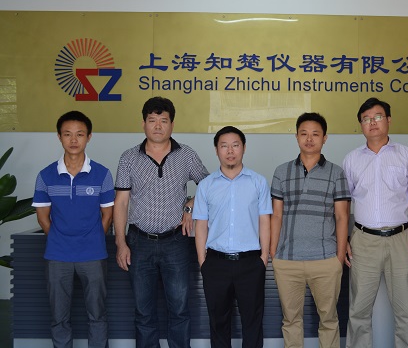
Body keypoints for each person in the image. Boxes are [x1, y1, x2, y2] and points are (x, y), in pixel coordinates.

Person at [114, 96, 209, 348]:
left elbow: (210, 187)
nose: (157, 126)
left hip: (175, 242)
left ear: (172, 124)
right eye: (152, 120)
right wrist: (121, 243)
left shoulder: (186, 155)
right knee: (143, 311)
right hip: (139, 242)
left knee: (179, 309)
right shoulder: (128, 158)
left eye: (163, 120)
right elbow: (121, 202)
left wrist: (190, 204)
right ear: (143, 124)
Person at [343, 97, 408, 348]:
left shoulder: (406, 155)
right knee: (358, 311)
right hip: (363, 241)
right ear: (361, 125)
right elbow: (344, 204)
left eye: (378, 117)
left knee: (406, 311)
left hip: (401, 239)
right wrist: (344, 239)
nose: (372, 122)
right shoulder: (352, 159)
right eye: (366, 119)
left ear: (388, 120)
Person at [33, 111, 114, 348]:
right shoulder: (45, 175)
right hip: (57, 255)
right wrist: (61, 240)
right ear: (59, 137)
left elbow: (107, 215)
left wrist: (91, 238)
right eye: (67, 134)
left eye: (80, 134)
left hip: (93, 254)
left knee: (97, 314)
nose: (74, 140)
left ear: (89, 137)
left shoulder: (102, 174)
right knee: (59, 316)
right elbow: (43, 218)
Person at [270, 112, 351, 348]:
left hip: (325, 259)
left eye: (315, 134)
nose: (309, 139)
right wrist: (274, 253)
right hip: (288, 259)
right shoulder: (281, 172)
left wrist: (338, 257)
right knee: (291, 320)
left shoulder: (336, 173)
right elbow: (276, 215)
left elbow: (342, 216)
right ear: (296, 137)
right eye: (304, 133)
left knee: (329, 320)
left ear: (324, 138)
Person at [193, 126, 271, 348]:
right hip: (216, 263)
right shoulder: (206, 185)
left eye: (235, 145)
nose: (230, 151)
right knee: (218, 323)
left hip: (251, 263)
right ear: (216, 150)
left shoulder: (258, 182)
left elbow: (265, 221)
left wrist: (264, 258)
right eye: (224, 146)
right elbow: (201, 225)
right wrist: (203, 262)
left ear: (244, 148)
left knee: (252, 322)